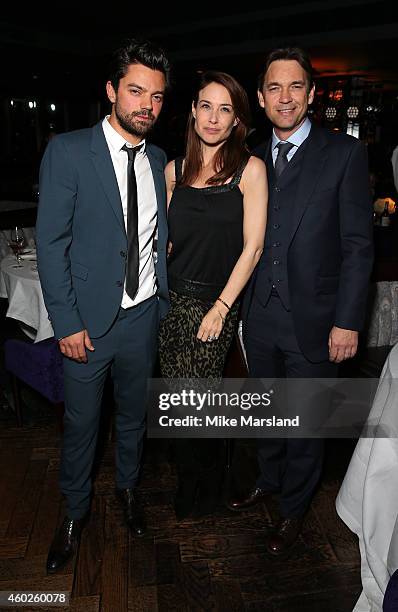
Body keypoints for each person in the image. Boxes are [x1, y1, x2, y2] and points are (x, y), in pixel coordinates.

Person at [228, 47, 374, 557]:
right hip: (259, 315)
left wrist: (348, 321)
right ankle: (268, 479)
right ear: (262, 97)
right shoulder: (248, 153)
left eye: (295, 87)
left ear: (311, 95)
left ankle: (294, 507)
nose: (284, 97)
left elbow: (358, 245)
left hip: (316, 318)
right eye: (274, 88)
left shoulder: (344, 154)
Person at [36, 39, 170, 574]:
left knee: (134, 417)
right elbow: (51, 244)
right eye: (136, 91)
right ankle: (73, 513)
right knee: (81, 425)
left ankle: (130, 491)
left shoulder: (159, 158)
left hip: (143, 317)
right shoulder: (68, 151)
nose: (147, 106)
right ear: (112, 90)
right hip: (87, 325)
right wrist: (65, 322)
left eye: (157, 97)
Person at [158, 71, 267, 520]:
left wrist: (222, 308)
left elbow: (253, 247)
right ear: (193, 110)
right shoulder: (172, 170)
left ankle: (206, 478)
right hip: (171, 301)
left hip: (214, 305)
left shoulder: (250, 169)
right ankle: (191, 477)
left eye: (226, 109)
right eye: (206, 105)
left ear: (237, 118)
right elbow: (164, 239)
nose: (214, 117)